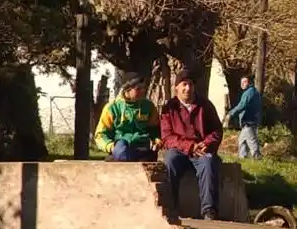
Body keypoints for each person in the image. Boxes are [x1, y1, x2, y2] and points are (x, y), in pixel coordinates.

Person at [161, 70, 223, 220]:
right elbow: (167, 137)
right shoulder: (169, 108)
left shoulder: (205, 105)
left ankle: (209, 210)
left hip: (201, 151)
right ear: (176, 88)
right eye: (184, 85)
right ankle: (171, 207)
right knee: (170, 161)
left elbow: (216, 130)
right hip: (179, 151)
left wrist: (207, 144)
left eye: (190, 84)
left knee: (208, 162)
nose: (188, 88)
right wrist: (189, 146)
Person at [94, 72, 159, 162]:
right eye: (138, 89)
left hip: (142, 146)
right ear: (127, 89)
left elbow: (155, 129)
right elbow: (100, 135)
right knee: (122, 152)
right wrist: (110, 147)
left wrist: (156, 141)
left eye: (144, 88)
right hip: (121, 146)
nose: (143, 91)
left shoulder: (149, 106)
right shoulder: (112, 108)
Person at [224, 75, 263, 159]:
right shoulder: (252, 91)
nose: (242, 84)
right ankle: (243, 158)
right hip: (249, 121)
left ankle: (258, 159)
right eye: (241, 82)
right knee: (242, 141)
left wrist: (230, 113)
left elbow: (242, 105)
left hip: (249, 121)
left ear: (250, 83)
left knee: (252, 142)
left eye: (245, 82)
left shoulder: (249, 92)